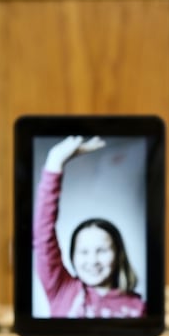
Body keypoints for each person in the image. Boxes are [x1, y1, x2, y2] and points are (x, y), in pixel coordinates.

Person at [34, 136, 144, 318]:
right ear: (73, 257)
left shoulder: (138, 307)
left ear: (118, 255)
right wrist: (54, 164)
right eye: (84, 252)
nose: (93, 261)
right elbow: (43, 235)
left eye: (101, 250)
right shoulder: (62, 289)